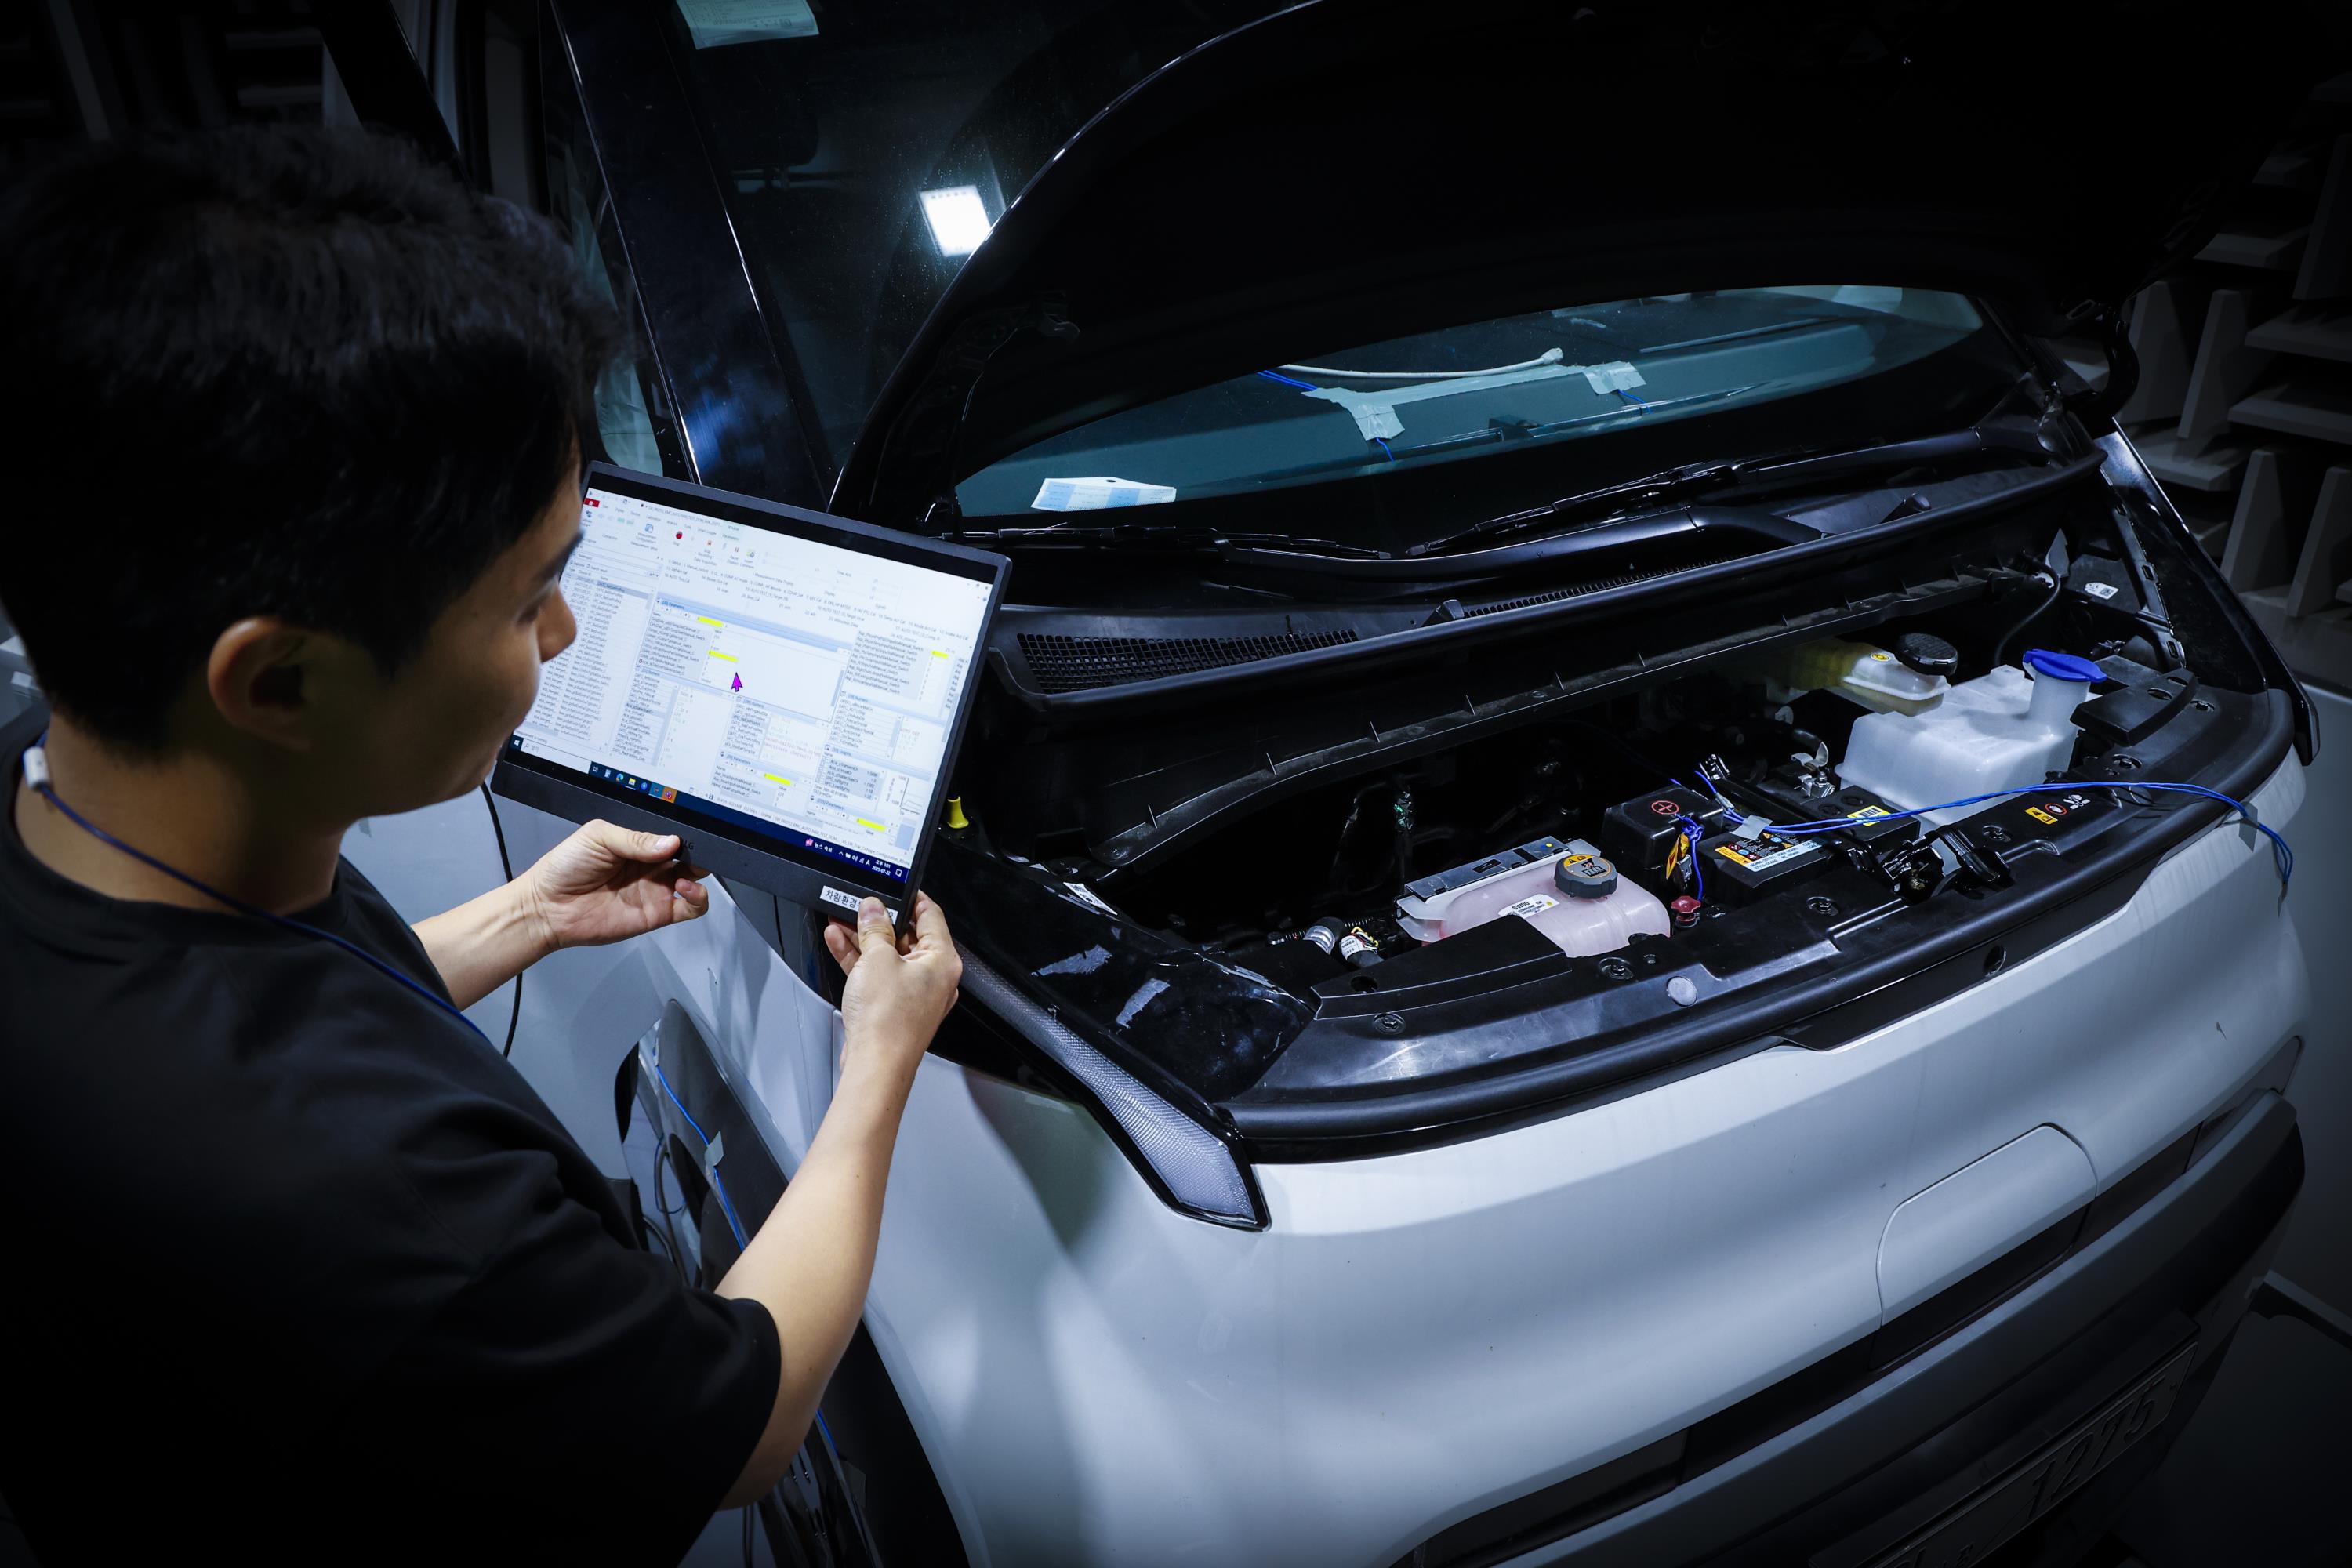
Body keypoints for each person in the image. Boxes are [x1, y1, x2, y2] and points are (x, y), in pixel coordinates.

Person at [0, 125, 961, 1563]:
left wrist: (523, 918)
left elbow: (250, 998)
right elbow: (750, 1420)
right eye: (526, 604)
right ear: (277, 681)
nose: (563, 639)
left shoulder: (69, 800)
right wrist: (876, 1065)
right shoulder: (381, 1215)